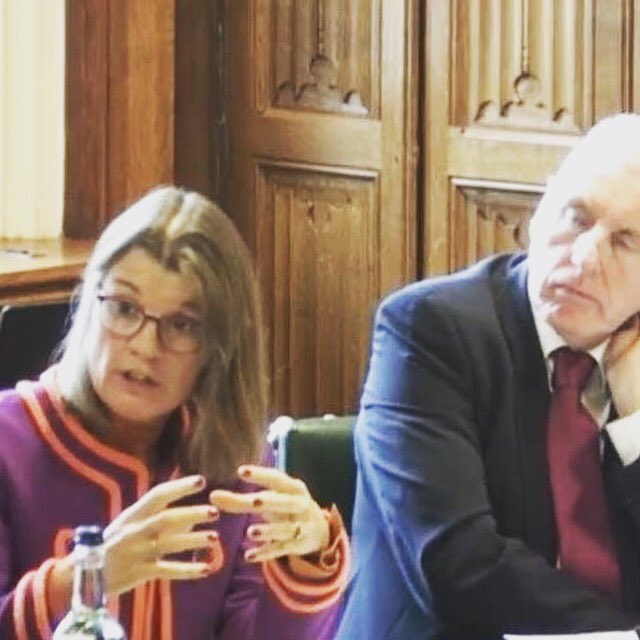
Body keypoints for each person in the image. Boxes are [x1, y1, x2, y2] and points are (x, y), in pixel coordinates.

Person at [336, 112, 640, 639]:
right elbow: (457, 563)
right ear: (539, 211)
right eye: (576, 218)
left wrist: (634, 422)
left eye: (626, 241)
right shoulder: (428, 330)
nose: (585, 256)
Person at [0, 186, 349, 639]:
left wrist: (306, 560)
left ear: (219, 349)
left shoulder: (236, 463)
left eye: (181, 325)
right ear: (89, 304)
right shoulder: (10, 440)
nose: (145, 346)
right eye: (124, 308)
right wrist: (84, 578)